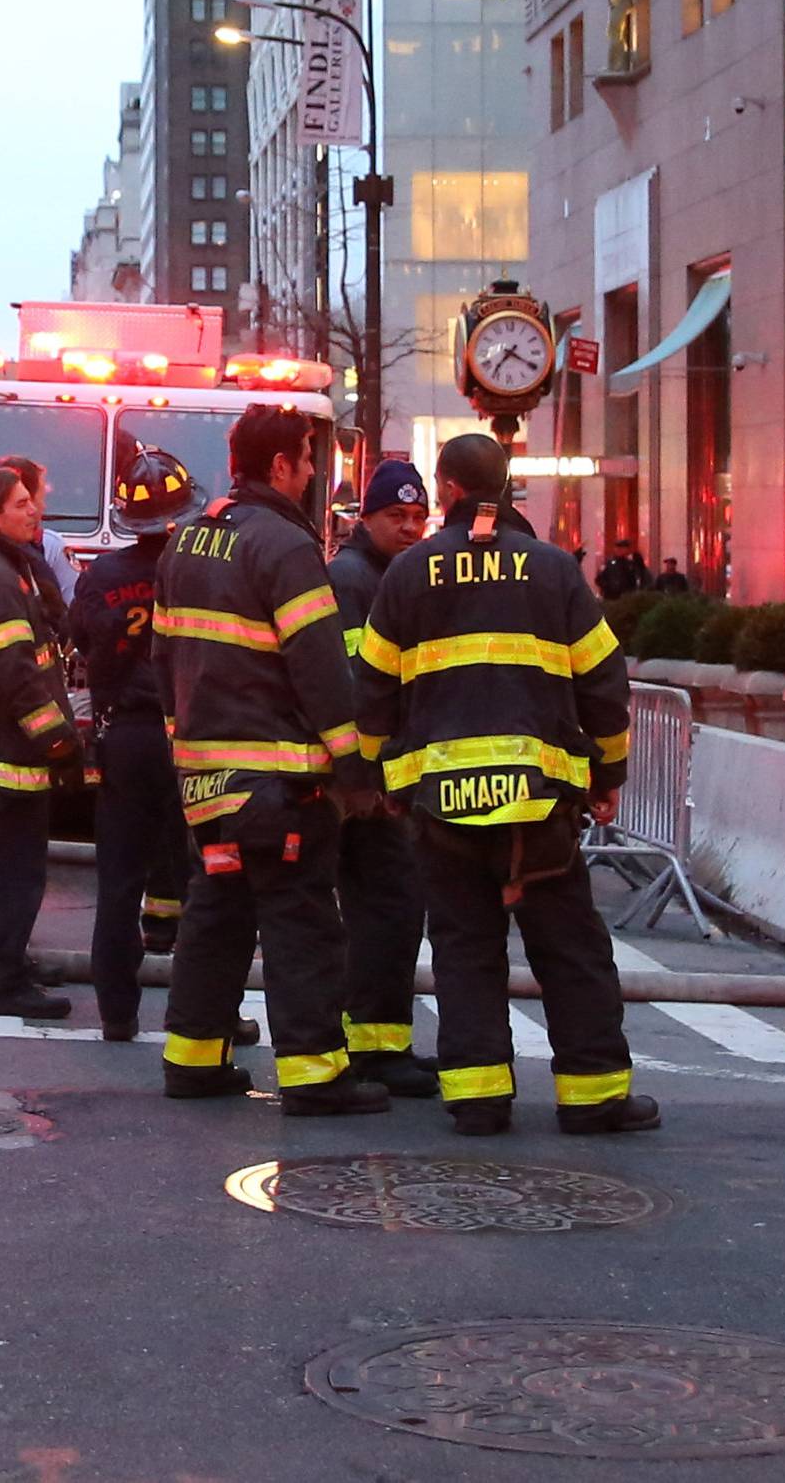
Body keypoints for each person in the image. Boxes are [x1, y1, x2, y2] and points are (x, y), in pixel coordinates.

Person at [355, 431, 657, 1139]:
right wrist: (607, 775)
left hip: (442, 808)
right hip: (540, 806)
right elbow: (607, 685)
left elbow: (369, 694)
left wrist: (387, 780)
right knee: (570, 945)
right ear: (505, 487)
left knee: (464, 945)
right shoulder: (554, 572)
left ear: (449, 489)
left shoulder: (406, 575)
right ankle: (591, 1095)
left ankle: (479, 1099)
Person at [154, 404, 388, 1115]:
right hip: (280, 785)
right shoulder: (285, 546)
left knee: (217, 912)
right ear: (281, 465)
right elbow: (320, 668)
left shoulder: (185, 541)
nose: (313, 472)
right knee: (301, 920)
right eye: (308, 458)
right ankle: (316, 1075)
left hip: (208, 784)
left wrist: (185, 753)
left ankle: (192, 1058)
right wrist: (354, 768)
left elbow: (164, 661)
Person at [71, 449, 209, 1040]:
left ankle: (117, 1014)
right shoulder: (201, 569)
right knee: (205, 879)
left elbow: (78, 638)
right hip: (191, 740)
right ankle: (208, 1009)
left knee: (120, 880)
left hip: (124, 738)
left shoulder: (101, 576)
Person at [325, 456, 439, 1095]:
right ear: (365, 517)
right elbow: (354, 684)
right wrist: (364, 776)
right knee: (386, 906)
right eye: (396, 515)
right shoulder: (351, 578)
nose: (410, 527)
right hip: (370, 778)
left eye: (419, 516)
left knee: (391, 908)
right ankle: (373, 1047)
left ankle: (378, 1040)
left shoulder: (398, 578)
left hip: (392, 771)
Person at [0, 467, 81, 1020]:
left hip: (10, 751)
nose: (33, 510)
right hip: (11, 758)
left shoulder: (9, 566)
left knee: (9, 870)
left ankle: (4, 962)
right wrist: (59, 743)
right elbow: (14, 675)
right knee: (13, 874)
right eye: (21, 504)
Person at [0, 456, 78, 608]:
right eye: (22, 503)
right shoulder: (49, 547)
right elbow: (73, 608)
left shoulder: (38, 549)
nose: (37, 508)